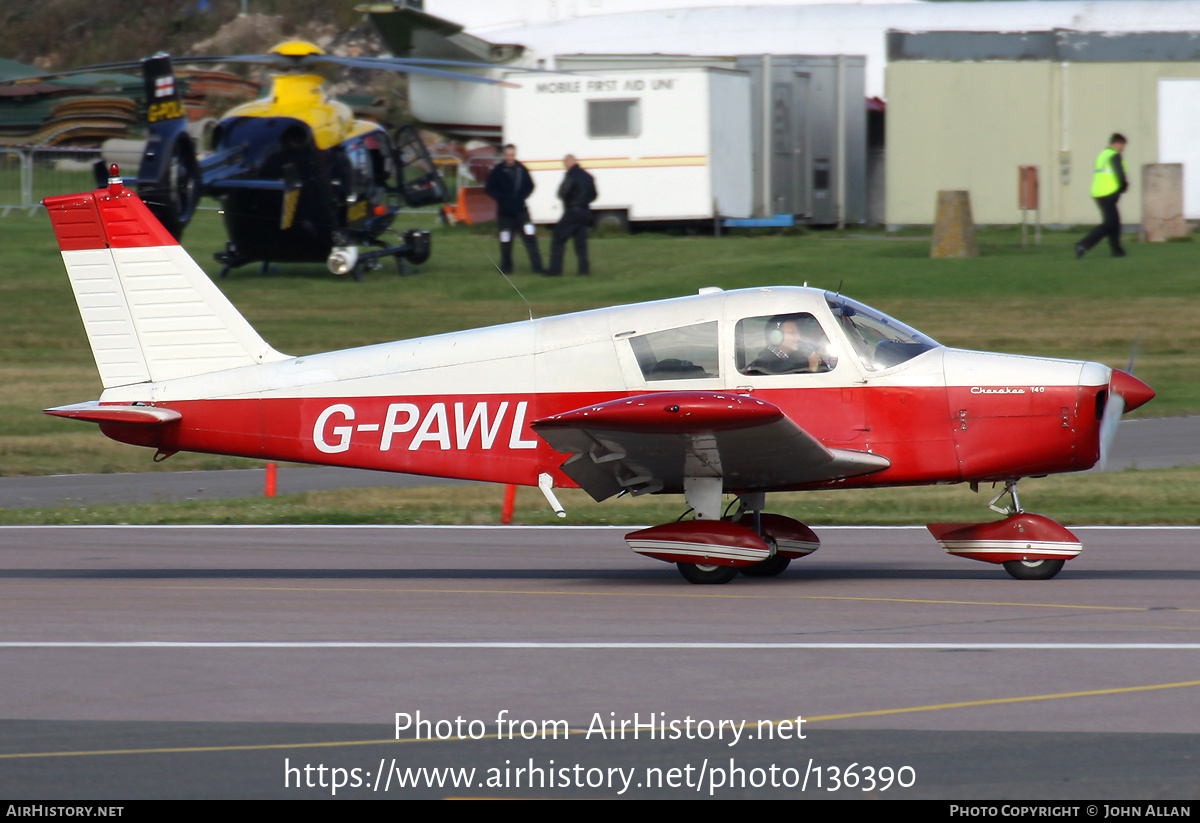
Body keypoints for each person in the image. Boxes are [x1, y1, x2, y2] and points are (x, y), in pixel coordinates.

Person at [485, 144, 544, 274]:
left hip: (522, 212)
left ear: (515, 155)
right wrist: (501, 198)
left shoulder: (522, 169)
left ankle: (538, 267)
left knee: (530, 239)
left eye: (512, 155)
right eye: (507, 155)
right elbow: (489, 188)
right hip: (505, 214)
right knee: (505, 241)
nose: (510, 158)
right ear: (504, 155)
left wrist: (522, 196)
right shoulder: (497, 170)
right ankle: (507, 268)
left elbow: (530, 186)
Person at [1076, 134, 1128, 259]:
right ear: (1117, 144)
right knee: (1110, 223)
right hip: (1108, 193)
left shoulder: (1102, 155)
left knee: (1115, 222)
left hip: (1098, 193)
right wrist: (1123, 187)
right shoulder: (1114, 155)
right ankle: (1083, 244)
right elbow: (1120, 175)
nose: (1123, 149)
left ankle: (1117, 251)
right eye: (1122, 145)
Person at [546, 154, 597, 276]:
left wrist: (571, 200)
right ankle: (584, 270)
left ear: (568, 162)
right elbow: (594, 195)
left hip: (573, 211)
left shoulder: (571, 175)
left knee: (558, 237)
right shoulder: (588, 176)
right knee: (581, 242)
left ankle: (555, 270)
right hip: (585, 211)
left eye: (565, 164)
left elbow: (563, 192)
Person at [746, 315, 833, 375]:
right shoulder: (765, 367)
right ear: (776, 337)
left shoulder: (796, 358)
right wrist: (812, 369)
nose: (798, 337)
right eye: (792, 333)